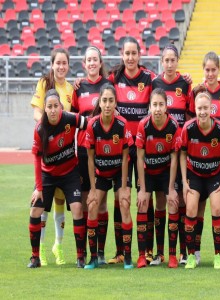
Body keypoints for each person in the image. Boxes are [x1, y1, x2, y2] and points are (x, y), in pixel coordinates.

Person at [107, 36, 157, 264]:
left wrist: (185, 78)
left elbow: (167, 85)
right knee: (121, 199)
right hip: (121, 150)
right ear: (122, 55)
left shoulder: (149, 78)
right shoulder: (114, 77)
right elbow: (100, 89)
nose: (130, 58)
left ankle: (146, 251)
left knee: (145, 198)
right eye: (126, 54)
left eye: (133, 53)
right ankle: (120, 251)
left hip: (143, 149)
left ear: (139, 55)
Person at [28, 89, 86, 268]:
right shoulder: (40, 129)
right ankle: (35, 257)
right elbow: (37, 159)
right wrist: (38, 188)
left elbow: (89, 123)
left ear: (61, 107)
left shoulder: (70, 118)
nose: (53, 110)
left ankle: (80, 256)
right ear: (44, 109)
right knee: (35, 211)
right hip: (48, 176)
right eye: (49, 107)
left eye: (56, 106)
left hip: (70, 173)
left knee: (77, 208)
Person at [30, 48, 73, 266]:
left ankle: (58, 245)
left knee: (60, 200)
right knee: (43, 203)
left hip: (64, 155)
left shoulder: (70, 89)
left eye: (64, 63)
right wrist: (45, 129)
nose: (61, 67)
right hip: (47, 152)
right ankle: (43, 248)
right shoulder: (44, 83)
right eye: (58, 63)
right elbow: (37, 112)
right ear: (52, 64)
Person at [84, 83, 134, 269]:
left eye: (110, 100)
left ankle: (127, 257)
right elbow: (90, 160)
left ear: (115, 103)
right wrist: (91, 189)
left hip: (119, 171)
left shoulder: (122, 124)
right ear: (100, 101)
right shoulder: (92, 125)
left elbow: (125, 158)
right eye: (104, 100)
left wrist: (124, 188)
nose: (107, 104)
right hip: (101, 173)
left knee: (124, 204)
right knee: (93, 205)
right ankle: (94, 257)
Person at [189, 51, 220, 265]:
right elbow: (191, 121)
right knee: (197, 208)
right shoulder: (197, 91)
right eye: (207, 69)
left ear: (219, 70)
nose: (210, 73)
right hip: (198, 157)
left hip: (218, 156)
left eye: (213, 69)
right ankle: (194, 251)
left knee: (219, 206)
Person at [151, 44, 192, 265]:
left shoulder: (185, 83)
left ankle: (183, 253)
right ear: (161, 62)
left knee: (180, 202)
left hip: (180, 149)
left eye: (172, 60)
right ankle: (159, 253)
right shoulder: (155, 83)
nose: (169, 64)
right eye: (165, 60)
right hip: (159, 152)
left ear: (177, 61)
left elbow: (190, 113)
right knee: (161, 201)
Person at [180, 87, 220, 269]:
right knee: (191, 209)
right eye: (199, 109)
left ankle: (218, 255)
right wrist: (185, 182)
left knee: (217, 208)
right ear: (195, 109)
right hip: (195, 175)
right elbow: (183, 154)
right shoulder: (188, 128)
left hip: (215, 175)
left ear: (211, 109)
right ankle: (192, 255)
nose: (202, 112)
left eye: (205, 108)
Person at [71, 46, 110, 265]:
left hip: (104, 151)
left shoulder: (108, 86)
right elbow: (75, 120)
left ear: (100, 62)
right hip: (84, 152)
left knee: (101, 203)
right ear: (84, 64)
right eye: (89, 60)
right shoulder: (79, 88)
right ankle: (85, 252)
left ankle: (101, 252)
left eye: (95, 59)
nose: (92, 63)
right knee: (86, 203)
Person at [135, 88, 181, 268]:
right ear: (150, 106)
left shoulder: (174, 125)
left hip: (165, 172)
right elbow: (139, 158)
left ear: (166, 106)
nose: (158, 108)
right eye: (154, 105)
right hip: (148, 172)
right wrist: (142, 188)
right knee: (143, 203)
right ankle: (141, 255)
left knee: (169, 203)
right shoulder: (144, 125)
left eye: (161, 104)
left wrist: (170, 188)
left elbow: (175, 157)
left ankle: (169, 255)